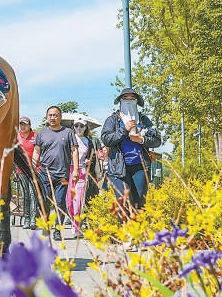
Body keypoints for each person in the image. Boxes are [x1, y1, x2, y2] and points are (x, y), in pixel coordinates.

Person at [100, 87, 162, 219]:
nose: (129, 101)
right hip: (119, 167)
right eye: (125, 98)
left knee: (139, 201)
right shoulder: (113, 120)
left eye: (132, 98)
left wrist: (142, 139)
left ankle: (136, 234)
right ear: (120, 101)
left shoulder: (144, 120)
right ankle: (125, 234)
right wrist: (124, 130)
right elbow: (106, 138)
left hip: (140, 166)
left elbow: (157, 140)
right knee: (123, 199)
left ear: (137, 101)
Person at [31, 106, 79, 241]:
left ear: (60, 117)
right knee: (44, 201)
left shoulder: (68, 132)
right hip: (44, 174)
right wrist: (33, 167)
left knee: (60, 202)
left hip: (62, 175)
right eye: (50, 115)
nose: (53, 118)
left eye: (55, 115)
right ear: (47, 117)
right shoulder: (41, 133)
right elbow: (36, 151)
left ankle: (57, 230)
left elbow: (74, 151)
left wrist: (75, 170)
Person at [66, 117, 95, 237]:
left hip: (82, 171)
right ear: (73, 127)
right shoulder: (68, 139)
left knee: (77, 200)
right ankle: (73, 220)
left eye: (81, 126)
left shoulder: (89, 141)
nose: (78, 128)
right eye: (76, 126)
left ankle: (76, 226)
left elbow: (93, 156)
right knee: (69, 201)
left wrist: (89, 160)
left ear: (86, 127)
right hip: (68, 171)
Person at [13, 115, 40, 230]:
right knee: (26, 195)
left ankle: (33, 219)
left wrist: (35, 167)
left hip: (35, 169)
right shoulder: (16, 137)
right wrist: (14, 170)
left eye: (25, 124)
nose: (23, 126)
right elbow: (13, 154)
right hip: (21, 170)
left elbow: (39, 151)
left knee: (33, 194)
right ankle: (27, 219)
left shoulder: (35, 136)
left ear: (30, 125)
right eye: (21, 124)